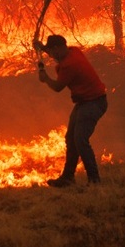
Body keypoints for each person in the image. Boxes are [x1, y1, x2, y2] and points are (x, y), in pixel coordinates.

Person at [33, 34, 108, 187]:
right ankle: (68, 178)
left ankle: (94, 180)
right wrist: (42, 48)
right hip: (86, 102)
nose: (52, 56)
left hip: (93, 103)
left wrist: (45, 77)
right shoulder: (73, 51)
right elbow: (56, 53)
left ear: (58, 49)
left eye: (53, 52)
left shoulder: (70, 65)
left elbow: (58, 87)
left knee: (80, 140)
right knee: (71, 139)